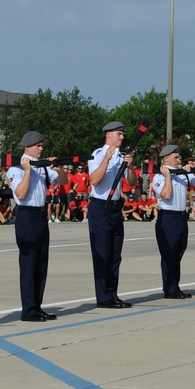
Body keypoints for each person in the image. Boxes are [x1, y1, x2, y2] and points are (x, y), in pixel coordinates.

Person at [7, 131, 69, 322]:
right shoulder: (16, 169)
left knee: (41, 264)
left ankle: (37, 305)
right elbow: (22, 194)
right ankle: (28, 309)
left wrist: (57, 168)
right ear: (27, 147)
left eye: (42, 145)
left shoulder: (42, 166)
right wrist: (27, 171)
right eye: (38, 146)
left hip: (41, 214)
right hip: (26, 215)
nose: (41, 148)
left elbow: (64, 181)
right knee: (28, 264)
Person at [87, 121, 137, 309]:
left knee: (115, 254)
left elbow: (131, 183)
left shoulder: (123, 156)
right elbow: (95, 180)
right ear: (109, 135)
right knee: (102, 252)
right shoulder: (97, 155)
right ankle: (103, 297)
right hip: (100, 206)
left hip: (116, 207)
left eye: (123, 134)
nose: (122, 137)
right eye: (119, 134)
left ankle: (112, 294)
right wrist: (106, 160)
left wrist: (131, 167)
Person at [152, 145, 195, 299]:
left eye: (179, 157)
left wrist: (194, 169)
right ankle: (169, 289)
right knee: (169, 254)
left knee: (178, 253)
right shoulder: (159, 176)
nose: (179, 159)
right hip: (168, 218)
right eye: (176, 157)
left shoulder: (181, 173)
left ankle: (175, 286)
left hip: (181, 217)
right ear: (166, 158)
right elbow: (166, 195)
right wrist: (168, 176)